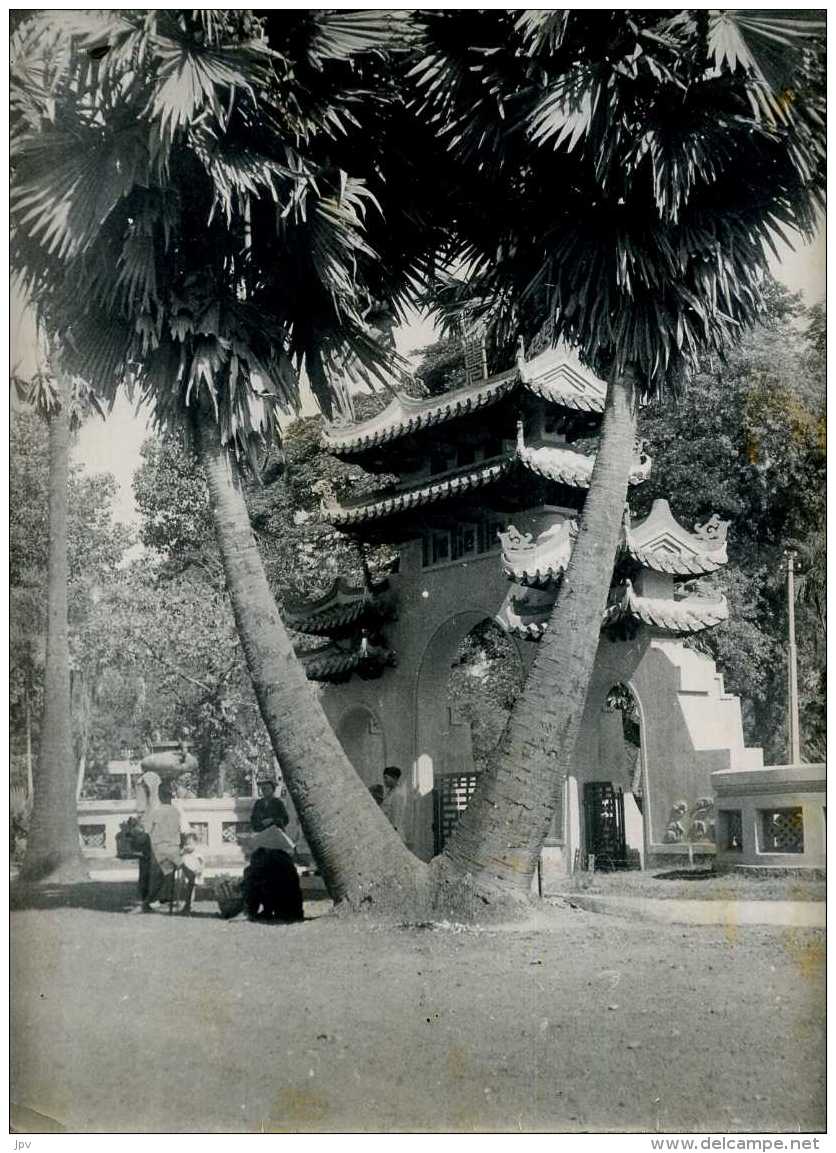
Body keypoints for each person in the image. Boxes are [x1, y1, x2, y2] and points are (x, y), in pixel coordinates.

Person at [241, 823, 303, 923]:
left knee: (251, 877)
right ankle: (265, 911)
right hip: (290, 907)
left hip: (281, 901)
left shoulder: (267, 856)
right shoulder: (283, 856)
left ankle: (251, 911)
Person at [141, 781, 183, 911]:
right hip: (174, 849)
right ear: (170, 796)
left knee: (156, 873)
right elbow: (181, 830)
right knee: (169, 872)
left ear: (159, 795)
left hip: (159, 849)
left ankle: (150, 900)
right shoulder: (177, 812)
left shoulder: (156, 812)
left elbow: (147, 831)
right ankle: (166, 898)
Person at [381, 766, 409, 841]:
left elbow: (395, 820)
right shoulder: (390, 793)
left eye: (386, 778)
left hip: (394, 834)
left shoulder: (398, 794)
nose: (384, 780)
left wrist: (391, 837)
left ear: (394, 778)